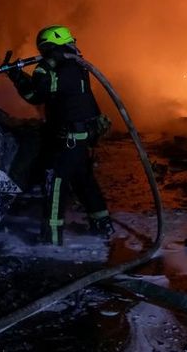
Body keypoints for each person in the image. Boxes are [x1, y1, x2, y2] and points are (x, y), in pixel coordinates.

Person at [7, 25, 113, 245]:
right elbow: (36, 93)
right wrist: (16, 75)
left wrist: (41, 66)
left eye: (47, 50)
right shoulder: (75, 68)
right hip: (78, 138)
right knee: (84, 182)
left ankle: (52, 238)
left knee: (55, 184)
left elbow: (37, 93)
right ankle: (102, 224)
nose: (45, 55)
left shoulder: (65, 70)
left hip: (70, 140)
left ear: (56, 48)